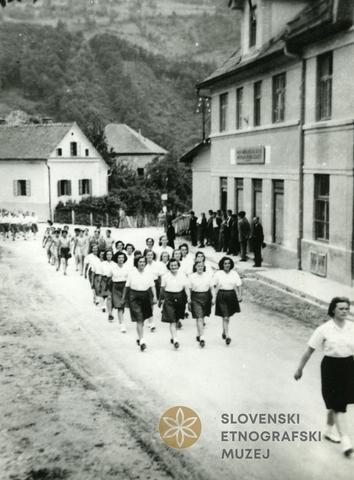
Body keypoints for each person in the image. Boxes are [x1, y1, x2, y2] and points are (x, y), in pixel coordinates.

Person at [294, 297, 354, 456]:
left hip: (349, 367)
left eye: (347, 308)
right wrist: (299, 369)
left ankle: (328, 430)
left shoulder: (352, 328)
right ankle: (346, 441)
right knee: (338, 405)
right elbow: (309, 351)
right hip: (331, 368)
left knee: (338, 403)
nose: (345, 311)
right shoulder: (323, 329)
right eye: (341, 308)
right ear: (333, 309)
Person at [123, 255, 157, 351]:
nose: (142, 263)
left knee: (143, 319)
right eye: (140, 262)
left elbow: (152, 286)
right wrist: (123, 299)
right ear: (136, 263)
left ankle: (139, 336)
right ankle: (142, 341)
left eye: (143, 262)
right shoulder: (132, 273)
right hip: (134, 296)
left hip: (145, 296)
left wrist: (155, 296)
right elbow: (127, 286)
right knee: (139, 318)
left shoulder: (149, 273)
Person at [159, 258, 190, 349]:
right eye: (172, 265)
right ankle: (176, 339)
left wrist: (188, 297)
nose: (173, 267)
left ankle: (173, 336)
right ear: (169, 267)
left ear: (178, 266)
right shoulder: (165, 276)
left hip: (180, 297)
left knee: (176, 319)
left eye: (175, 265)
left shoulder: (182, 275)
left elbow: (186, 287)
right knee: (172, 320)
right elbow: (162, 289)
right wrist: (161, 300)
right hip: (169, 298)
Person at [213, 257, 242, 345]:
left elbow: (239, 285)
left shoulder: (234, 273)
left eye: (229, 263)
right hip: (221, 295)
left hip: (231, 295)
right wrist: (214, 296)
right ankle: (228, 336)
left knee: (227, 316)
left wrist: (239, 295)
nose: (227, 265)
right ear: (222, 264)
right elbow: (214, 285)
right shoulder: (218, 273)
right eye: (225, 263)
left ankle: (224, 331)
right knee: (225, 316)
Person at [189, 261, 215, 348]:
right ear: (195, 267)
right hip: (195, 297)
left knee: (202, 316)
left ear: (204, 267)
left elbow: (212, 288)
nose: (200, 267)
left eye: (202, 266)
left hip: (206, 297)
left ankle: (198, 333)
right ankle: (202, 338)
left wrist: (214, 297)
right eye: (198, 266)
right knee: (199, 316)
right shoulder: (191, 276)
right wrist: (188, 299)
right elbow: (189, 289)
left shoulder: (208, 276)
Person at [111, 251, 129, 332]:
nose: (121, 259)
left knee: (123, 306)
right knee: (119, 306)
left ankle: (121, 320)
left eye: (122, 258)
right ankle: (122, 324)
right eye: (119, 258)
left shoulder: (127, 268)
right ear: (116, 259)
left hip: (125, 287)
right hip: (116, 287)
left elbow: (130, 279)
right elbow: (109, 277)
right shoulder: (113, 268)